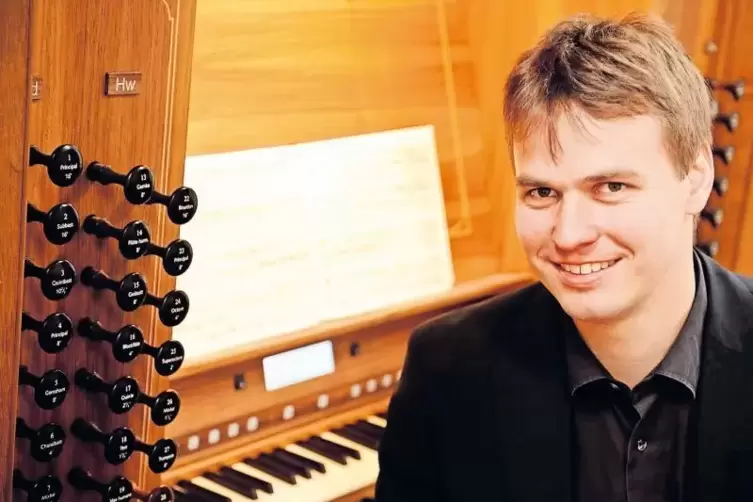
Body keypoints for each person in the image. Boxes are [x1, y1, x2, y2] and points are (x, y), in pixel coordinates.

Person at [374, 11, 753, 502]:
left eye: (611, 187)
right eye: (541, 194)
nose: (569, 234)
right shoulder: (446, 368)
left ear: (697, 177)